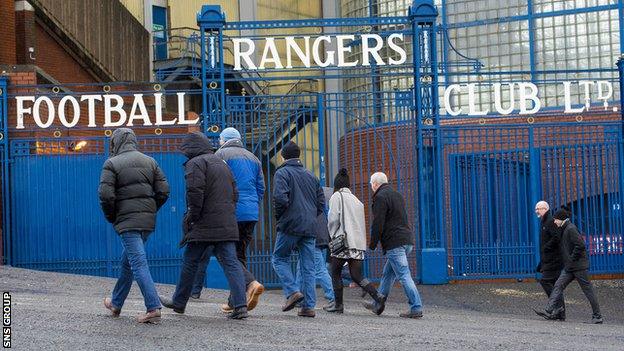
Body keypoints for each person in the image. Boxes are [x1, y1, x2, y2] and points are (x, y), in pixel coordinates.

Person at [159, 132, 248, 319]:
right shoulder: (221, 163)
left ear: (192, 149)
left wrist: (193, 216)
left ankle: (179, 302)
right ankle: (241, 306)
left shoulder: (196, 164)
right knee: (231, 263)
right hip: (226, 222)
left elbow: (195, 192)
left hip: (204, 223)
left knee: (190, 261)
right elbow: (235, 193)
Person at [191, 127, 265, 313]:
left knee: (226, 255)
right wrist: (252, 206)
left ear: (223, 140)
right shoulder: (254, 158)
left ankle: (250, 283)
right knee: (239, 255)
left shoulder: (221, 154)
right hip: (251, 213)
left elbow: (218, 181)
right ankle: (236, 301)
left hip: (231, 212)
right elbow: (261, 188)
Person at [99, 128, 170, 324]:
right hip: (147, 222)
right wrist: (151, 209)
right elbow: (164, 190)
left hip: (127, 221)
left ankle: (153, 307)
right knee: (128, 262)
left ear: (116, 143)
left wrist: (113, 217)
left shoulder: (111, 163)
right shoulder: (150, 161)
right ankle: (116, 302)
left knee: (138, 263)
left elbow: (106, 196)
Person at [271, 141, 325, 318]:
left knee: (279, 258)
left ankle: (293, 291)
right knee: (308, 267)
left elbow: (280, 198)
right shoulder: (312, 176)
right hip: (309, 227)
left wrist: (281, 217)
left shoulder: (282, 173)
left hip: (290, 225)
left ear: (283, 156)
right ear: (299, 155)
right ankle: (308, 307)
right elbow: (321, 204)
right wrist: (310, 217)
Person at [323, 168, 385, 314]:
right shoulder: (357, 200)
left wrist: (332, 235)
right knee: (357, 275)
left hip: (342, 242)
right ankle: (378, 296)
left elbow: (333, 219)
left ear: (337, 184)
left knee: (335, 271)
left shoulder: (336, 197)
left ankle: (338, 305)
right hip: (357, 243)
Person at [364, 172, 423, 318]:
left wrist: (372, 244)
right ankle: (378, 302)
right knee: (388, 274)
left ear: (376, 184)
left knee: (403, 275)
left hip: (394, 242)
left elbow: (378, 223)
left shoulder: (380, 197)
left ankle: (416, 307)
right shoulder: (397, 195)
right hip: (406, 240)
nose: (371, 187)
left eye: (371, 184)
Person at [534, 208, 603, 324]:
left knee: (588, 291)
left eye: (556, 220)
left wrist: (571, 259)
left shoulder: (570, 229)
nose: (554, 221)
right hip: (570, 267)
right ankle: (549, 310)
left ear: (561, 219)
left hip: (579, 266)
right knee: (558, 285)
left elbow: (580, 245)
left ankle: (598, 316)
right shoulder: (564, 228)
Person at [295, 210, 335, 308]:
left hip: (312, 238)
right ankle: (298, 297)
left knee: (319, 270)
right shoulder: (316, 201)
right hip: (319, 237)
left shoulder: (304, 203)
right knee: (300, 269)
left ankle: (334, 297)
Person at [534, 201, 565, 320]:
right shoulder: (544, 221)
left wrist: (546, 248)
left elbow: (557, 238)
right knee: (555, 285)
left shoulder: (550, 221)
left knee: (545, 281)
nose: (536, 211)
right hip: (549, 259)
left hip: (553, 260)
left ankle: (557, 309)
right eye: (536, 209)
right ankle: (560, 312)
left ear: (545, 209)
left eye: (538, 208)